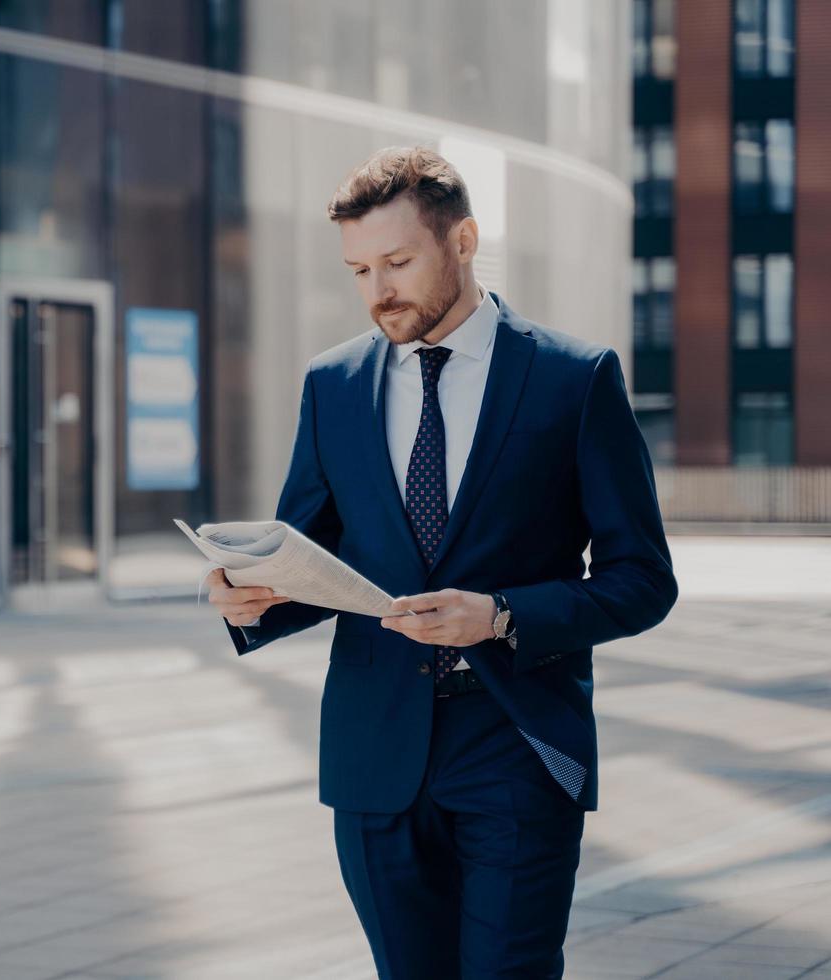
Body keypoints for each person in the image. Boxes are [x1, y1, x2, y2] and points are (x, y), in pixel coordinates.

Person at [204, 145, 677, 979]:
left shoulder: (574, 379)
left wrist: (500, 614)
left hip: (515, 741)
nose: (377, 290)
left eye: (397, 261)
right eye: (358, 270)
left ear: (462, 241)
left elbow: (643, 580)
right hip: (375, 752)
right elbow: (314, 558)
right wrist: (257, 599)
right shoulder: (334, 384)